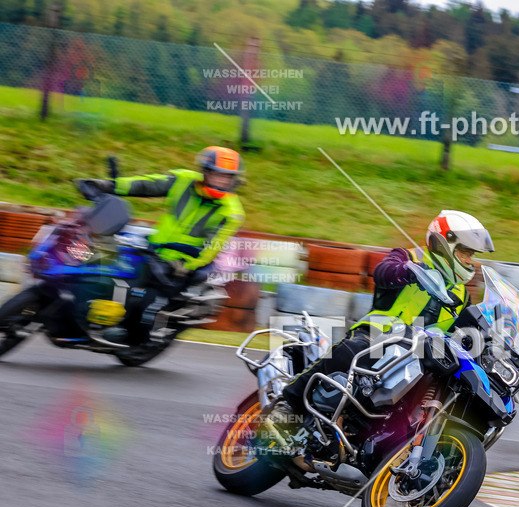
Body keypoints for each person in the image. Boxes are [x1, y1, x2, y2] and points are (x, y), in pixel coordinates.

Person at [262, 210, 495, 471]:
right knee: (352, 351)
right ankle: (288, 404)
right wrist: (407, 271)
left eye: (472, 254)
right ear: (445, 243)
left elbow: (465, 329)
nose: (470, 260)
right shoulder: (411, 257)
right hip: (378, 335)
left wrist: (489, 342)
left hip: (419, 353)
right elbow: (383, 271)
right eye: (465, 252)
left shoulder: (461, 294)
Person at [74, 146, 245, 342]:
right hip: (154, 248)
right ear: (205, 172)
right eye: (218, 175)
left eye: (228, 177)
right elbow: (146, 184)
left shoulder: (232, 213)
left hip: (182, 264)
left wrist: (185, 266)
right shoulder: (183, 180)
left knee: (146, 297)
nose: (223, 181)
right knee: (106, 263)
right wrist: (109, 185)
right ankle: (87, 311)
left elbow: (213, 247)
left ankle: (130, 336)